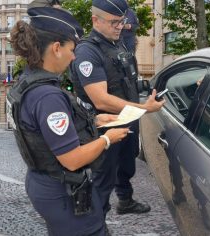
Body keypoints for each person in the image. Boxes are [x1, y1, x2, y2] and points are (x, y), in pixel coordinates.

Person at [7, 7, 130, 235]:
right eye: (71, 49)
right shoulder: (48, 96)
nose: (74, 56)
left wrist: (96, 120)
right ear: (56, 48)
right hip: (62, 190)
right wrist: (107, 139)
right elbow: (72, 160)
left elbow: (45, 131)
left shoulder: (28, 82)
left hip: (44, 182)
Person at [69, 0, 165, 218]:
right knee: (103, 177)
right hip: (104, 125)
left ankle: (125, 200)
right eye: (114, 22)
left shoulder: (118, 43)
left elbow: (125, 79)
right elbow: (101, 99)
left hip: (128, 118)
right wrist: (144, 108)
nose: (119, 27)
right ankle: (95, 224)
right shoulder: (87, 51)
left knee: (126, 164)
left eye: (121, 22)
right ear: (96, 20)